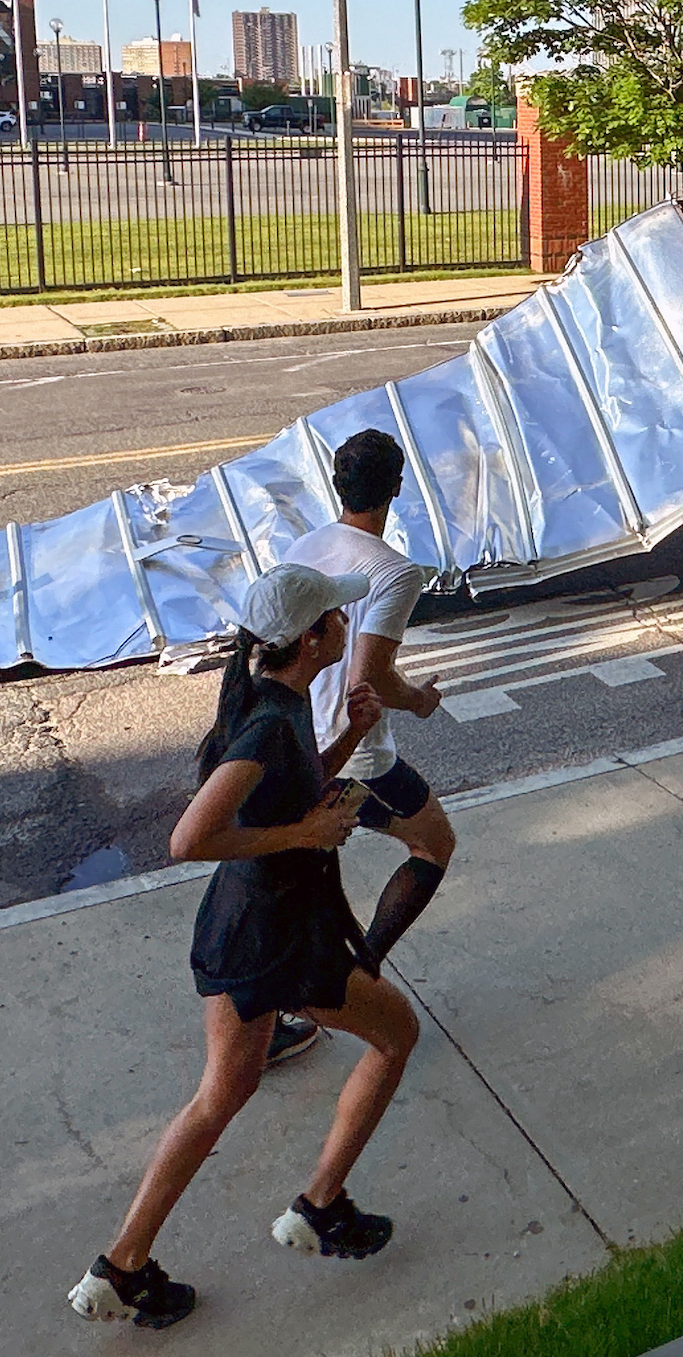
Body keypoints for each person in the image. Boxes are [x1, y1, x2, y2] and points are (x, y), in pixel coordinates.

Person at [67, 564, 421, 1330]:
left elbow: (285, 791)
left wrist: (350, 739)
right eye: (335, 617)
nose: (345, 626)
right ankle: (320, 1206)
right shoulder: (265, 723)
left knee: (221, 1095)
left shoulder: (277, 703)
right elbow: (189, 839)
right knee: (397, 1037)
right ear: (310, 637)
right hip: (281, 937)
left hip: (243, 929)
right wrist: (306, 833)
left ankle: (122, 1266)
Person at [267, 429, 453, 1070]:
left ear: (338, 486)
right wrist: (420, 700)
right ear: (397, 487)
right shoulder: (394, 571)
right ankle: (353, 979)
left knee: (301, 881)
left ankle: (284, 1011)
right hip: (355, 756)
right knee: (433, 844)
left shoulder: (306, 545)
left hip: (294, 742)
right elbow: (366, 682)